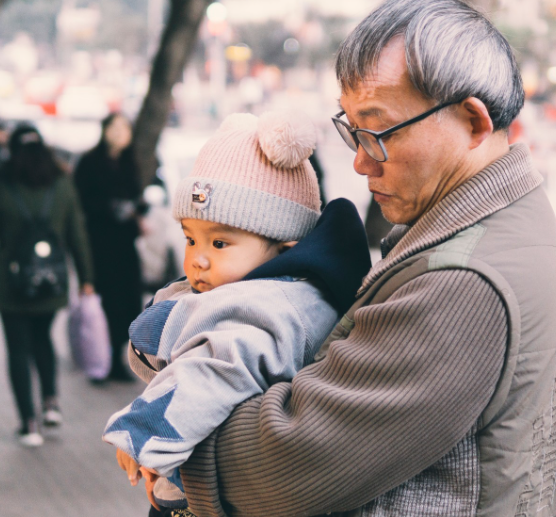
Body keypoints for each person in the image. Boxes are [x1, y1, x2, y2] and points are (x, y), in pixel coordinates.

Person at [177, 1, 556, 516]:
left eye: (378, 132)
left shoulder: (462, 282)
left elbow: (289, 468)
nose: (361, 161)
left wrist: (171, 431)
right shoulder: (511, 218)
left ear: (473, 122)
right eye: (352, 130)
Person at [103, 111, 372, 516]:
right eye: (191, 239)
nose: (198, 260)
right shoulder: (259, 290)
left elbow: (219, 365)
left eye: (221, 244)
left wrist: (145, 429)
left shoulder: (272, 307)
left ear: (284, 244)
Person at [0, 125, 95, 447]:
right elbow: (77, 233)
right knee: (42, 340)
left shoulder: (1, 183)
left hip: (11, 283)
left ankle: (29, 423)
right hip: (52, 282)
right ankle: (51, 402)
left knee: (18, 349)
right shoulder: (62, 183)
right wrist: (86, 277)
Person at [73, 113, 145, 381]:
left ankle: (118, 359)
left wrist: (136, 211)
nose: (119, 133)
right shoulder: (90, 162)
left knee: (126, 303)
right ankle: (97, 359)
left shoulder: (130, 163)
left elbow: (138, 195)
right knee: (103, 302)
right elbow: (81, 200)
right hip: (100, 242)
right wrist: (110, 207)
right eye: (114, 127)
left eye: (124, 127)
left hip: (125, 244)